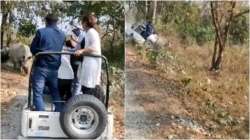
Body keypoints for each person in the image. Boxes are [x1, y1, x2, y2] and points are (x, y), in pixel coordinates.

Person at [30, 13, 65, 111]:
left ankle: (41, 115)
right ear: (56, 22)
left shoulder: (41, 32)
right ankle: (58, 113)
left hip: (41, 67)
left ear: (46, 21)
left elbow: (32, 49)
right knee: (55, 92)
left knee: (38, 93)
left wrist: (40, 51)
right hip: (54, 68)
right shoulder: (62, 34)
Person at [75, 13, 102, 97]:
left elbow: (94, 48)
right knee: (85, 87)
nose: (81, 25)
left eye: (82, 22)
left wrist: (81, 51)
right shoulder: (89, 32)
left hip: (92, 64)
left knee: (88, 88)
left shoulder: (91, 32)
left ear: (85, 23)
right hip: (89, 62)